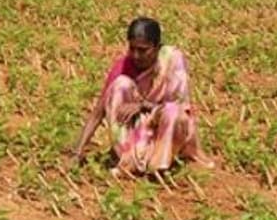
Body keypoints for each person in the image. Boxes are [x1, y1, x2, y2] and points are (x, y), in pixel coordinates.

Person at [71, 17, 209, 175]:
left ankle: (159, 166)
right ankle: (131, 159)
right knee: (120, 85)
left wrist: (143, 105)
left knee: (172, 112)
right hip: (139, 136)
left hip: (169, 131)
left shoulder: (171, 60)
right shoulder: (123, 67)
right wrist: (77, 152)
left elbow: (181, 107)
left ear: (157, 47)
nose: (136, 56)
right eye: (132, 49)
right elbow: (98, 113)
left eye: (143, 50)